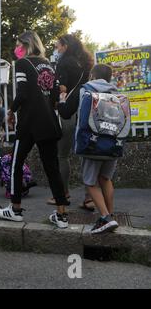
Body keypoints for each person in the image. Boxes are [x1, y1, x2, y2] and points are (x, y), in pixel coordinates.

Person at [0, 31, 70, 229]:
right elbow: (55, 93)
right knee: (52, 167)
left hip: (29, 122)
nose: (16, 48)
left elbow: (22, 93)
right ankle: (62, 215)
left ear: (26, 45)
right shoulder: (49, 64)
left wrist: (11, 110)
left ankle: (15, 209)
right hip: (49, 122)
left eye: (18, 44)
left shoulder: (22, 64)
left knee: (16, 163)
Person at [58, 64, 120, 234]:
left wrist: (62, 98)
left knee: (90, 182)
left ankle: (105, 217)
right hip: (113, 143)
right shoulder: (116, 92)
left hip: (92, 143)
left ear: (92, 75)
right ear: (109, 77)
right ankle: (111, 216)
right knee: (105, 179)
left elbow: (65, 112)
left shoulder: (84, 90)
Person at [49, 34, 95, 210]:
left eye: (57, 46)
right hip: (85, 110)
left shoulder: (64, 63)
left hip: (68, 111)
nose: (56, 49)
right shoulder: (86, 62)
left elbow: (62, 89)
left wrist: (56, 101)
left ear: (65, 46)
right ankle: (89, 198)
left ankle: (63, 193)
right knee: (86, 154)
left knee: (62, 155)